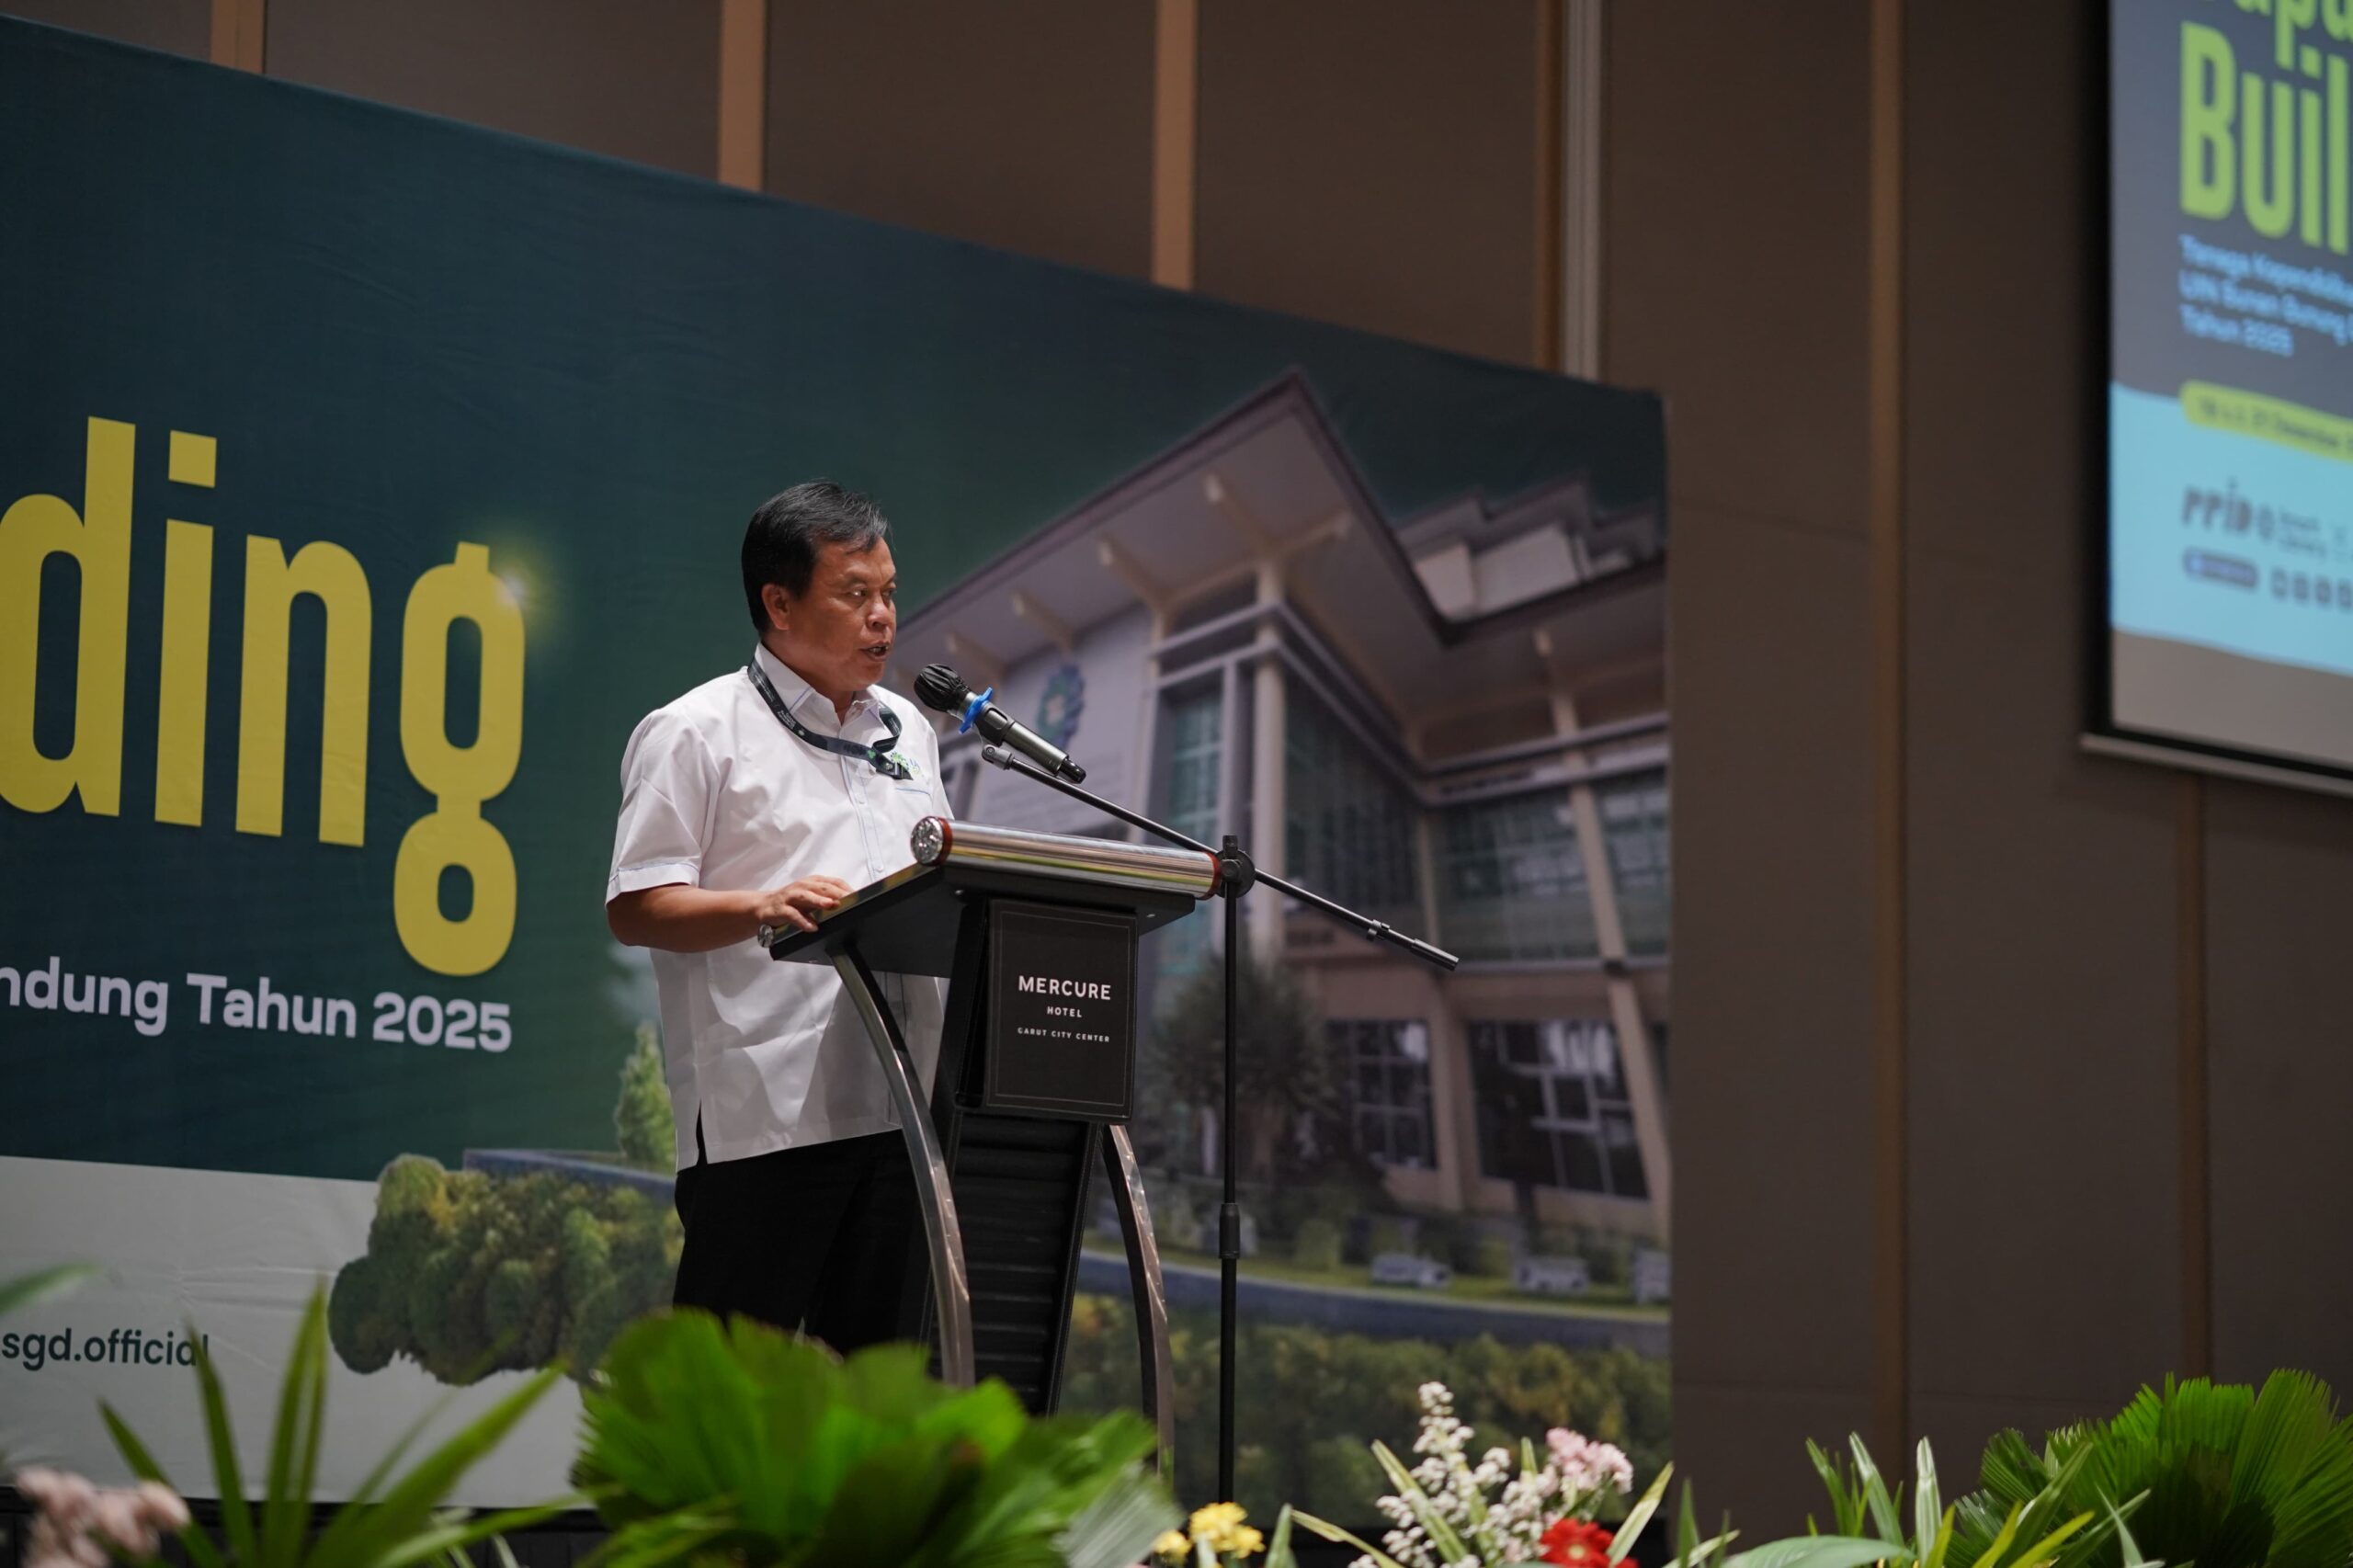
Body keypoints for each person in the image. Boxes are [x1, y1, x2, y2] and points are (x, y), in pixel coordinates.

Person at [604, 481, 949, 1348]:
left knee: (877, 1400)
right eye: (855, 594)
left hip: (903, 1115)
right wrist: (760, 904)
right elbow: (638, 904)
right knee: (726, 1397)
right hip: (766, 1119)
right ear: (780, 603)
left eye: (889, 592)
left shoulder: (909, 732)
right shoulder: (694, 731)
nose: (883, 617)